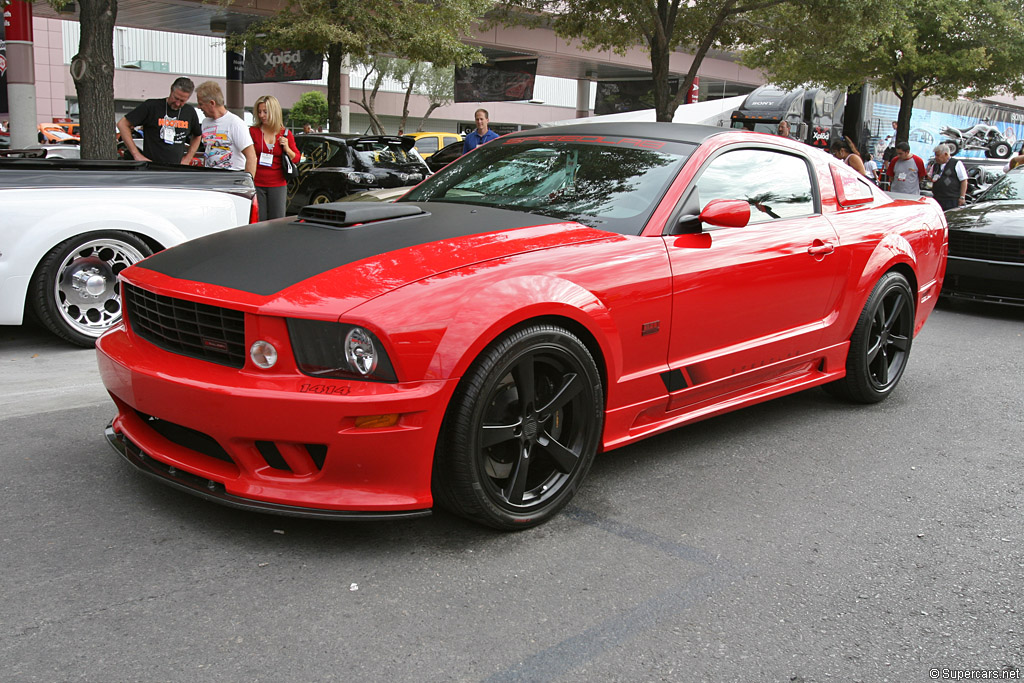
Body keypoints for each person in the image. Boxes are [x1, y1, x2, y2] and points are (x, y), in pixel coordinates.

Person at [116, 77, 202, 165]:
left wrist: (188, 158)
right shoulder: (151, 106)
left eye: (182, 101)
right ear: (171, 90)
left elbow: (197, 135)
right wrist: (136, 154)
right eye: (176, 98)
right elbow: (122, 124)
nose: (177, 103)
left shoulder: (189, 112)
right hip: (153, 168)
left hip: (177, 168)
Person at [249, 95, 300, 221]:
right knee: (259, 221)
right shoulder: (253, 131)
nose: (261, 115)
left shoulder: (285, 133)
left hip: (278, 183)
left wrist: (287, 148)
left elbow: (297, 158)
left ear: (274, 112)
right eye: (259, 112)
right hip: (257, 183)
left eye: (265, 112)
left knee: (277, 220)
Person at [194, 81, 256, 177]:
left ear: (212, 103)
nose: (199, 107)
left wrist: (247, 183)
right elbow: (208, 150)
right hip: (210, 176)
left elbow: (251, 157)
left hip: (232, 176)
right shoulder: (205, 122)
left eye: (201, 104)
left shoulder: (235, 123)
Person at [927, 143, 968, 210]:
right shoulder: (935, 165)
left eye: (938, 155)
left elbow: (964, 180)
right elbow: (930, 177)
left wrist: (962, 197)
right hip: (938, 198)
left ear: (946, 154)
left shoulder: (956, 163)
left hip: (951, 199)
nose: (936, 157)